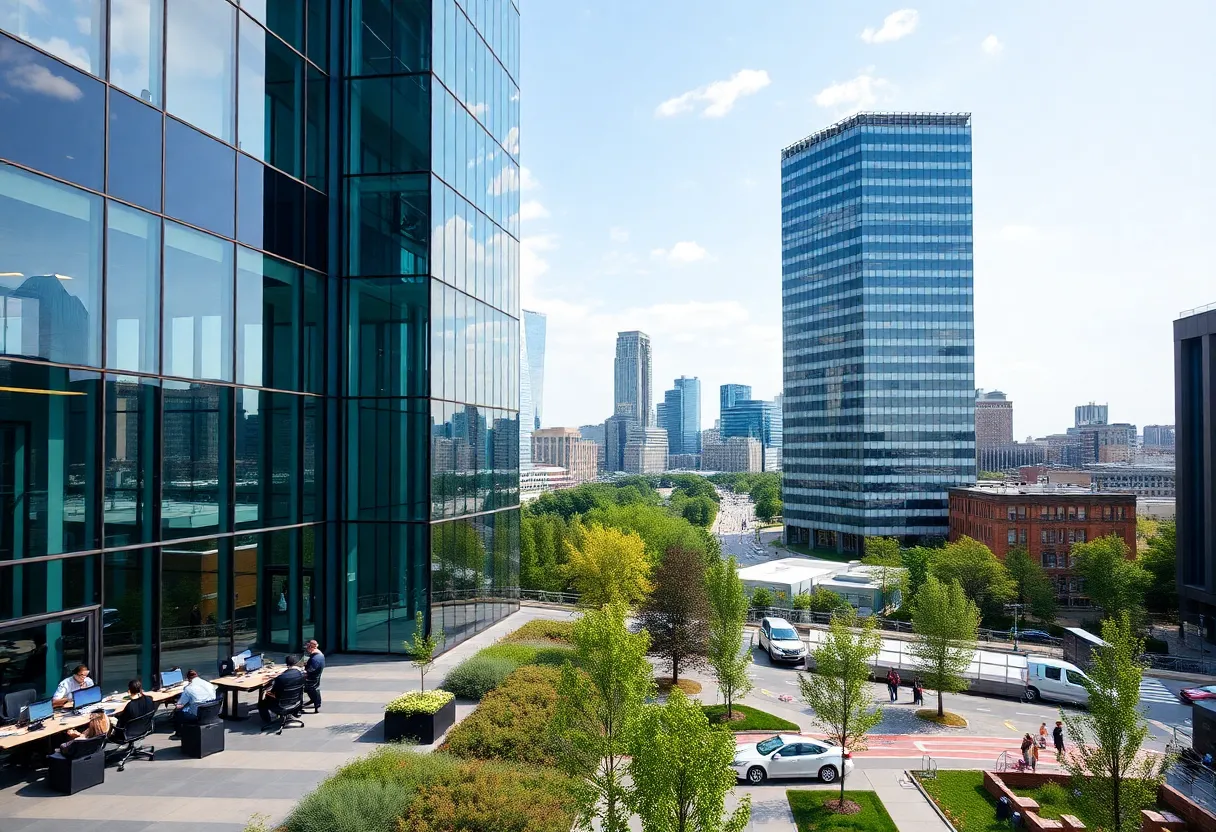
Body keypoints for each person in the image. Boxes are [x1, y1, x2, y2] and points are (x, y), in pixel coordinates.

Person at [259, 654, 306, 725]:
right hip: (296, 701)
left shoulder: (281, 678)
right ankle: (292, 712)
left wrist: (266, 691)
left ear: (287, 664)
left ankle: (267, 721)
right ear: (296, 663)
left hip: (280, 704)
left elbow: (274, 692)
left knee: (261, 703)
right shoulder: (301, 674)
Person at [170, 669, 217, 739]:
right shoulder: (209, 684)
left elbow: (179, 706)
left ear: (188, 679)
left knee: (178, 712)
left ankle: (179, 734)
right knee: (191, 704)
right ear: (197, 676)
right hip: (212, 711)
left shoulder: (188, 688)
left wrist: (177, 703)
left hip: (198, 714)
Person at [303, 640, 325, 713]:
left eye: (307, 648)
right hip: (315, 678)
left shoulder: (315, 658)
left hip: (311, 680)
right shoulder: (319, 655)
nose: (307, 651)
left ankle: (296, 707)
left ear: (310, 648)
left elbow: (311, 669)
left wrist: (303, 672)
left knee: (295, 685)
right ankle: (314, 701)